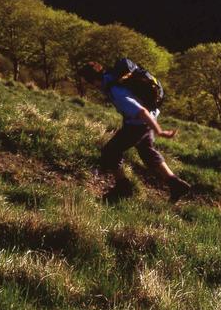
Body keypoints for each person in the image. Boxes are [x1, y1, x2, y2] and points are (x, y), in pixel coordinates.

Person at [81, 59, 191, 203]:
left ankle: (123, 188)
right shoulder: (112, 78)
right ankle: (175, 184)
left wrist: (159, 131)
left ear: (94, 81)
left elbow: (142, 112)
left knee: (110, 151)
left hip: (139, 124)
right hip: (149, 117)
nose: (93, 87)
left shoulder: (115, 91)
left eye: (90, 83)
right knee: (146, 151)